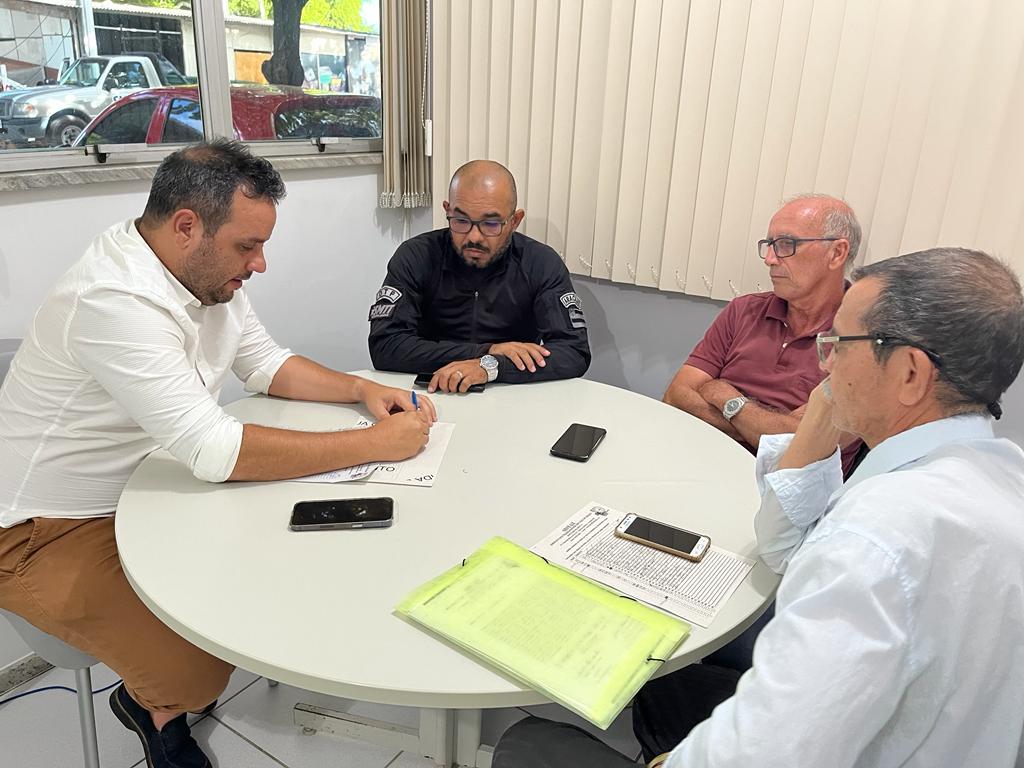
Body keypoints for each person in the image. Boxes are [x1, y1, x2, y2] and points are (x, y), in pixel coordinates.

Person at [493, 247, 1024, 767]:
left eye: (840, 343)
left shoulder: (878, 537)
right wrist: (822, 414)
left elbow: (764, 752)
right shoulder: (999, 476)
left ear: (910, 373)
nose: (826, 360)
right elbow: (782, 547)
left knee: (526, 744)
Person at [0, 140, 435, 768]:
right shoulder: (114, 298)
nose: (259, 265)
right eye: (247, 246)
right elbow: (212, 449)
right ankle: (151, 706)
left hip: (147, 489)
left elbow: (265, 363)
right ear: (186, 227)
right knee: (199, 673)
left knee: (288, 565)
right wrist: (374, 446)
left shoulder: (204, 275)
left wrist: (364, 388)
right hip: (42, 530)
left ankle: (159, 686)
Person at [663, 194, 862, 476]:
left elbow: (804, 445)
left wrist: (724, 396)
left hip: (787, 494)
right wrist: (760, 428)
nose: (769, 259)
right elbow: (676, 395)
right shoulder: (743, 310)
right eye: (769, 245)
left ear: (837, 253)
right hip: (698, 463)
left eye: (786, 245)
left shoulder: (865, 338)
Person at [368, 160, 591, 392]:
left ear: (514, 221)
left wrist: (490, 367)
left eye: (491, 223)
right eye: (461, 221)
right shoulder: (417, 256)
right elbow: (385, 346)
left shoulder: (540, 263)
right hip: (428, 390)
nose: (474, 237)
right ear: (447, 210)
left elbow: (574, 352)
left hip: (510, 393)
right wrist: (486, 352)